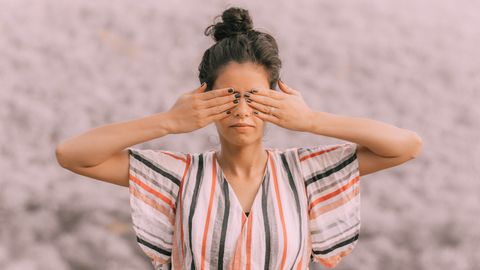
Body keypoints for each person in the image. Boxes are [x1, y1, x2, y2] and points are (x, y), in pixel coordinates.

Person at [55, 6, 422, 270]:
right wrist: (168, 121)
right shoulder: (180, 175)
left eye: (255, 96)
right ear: (205, 98)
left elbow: (406, 146)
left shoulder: (305, 171)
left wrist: (311, 120)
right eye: (229, 96)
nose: (242, 110)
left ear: (276, 98)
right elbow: (72, 154)